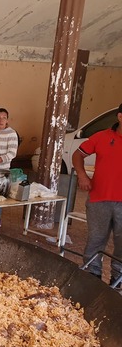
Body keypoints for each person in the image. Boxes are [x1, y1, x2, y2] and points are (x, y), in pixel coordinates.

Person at [72, 103, 122, 287]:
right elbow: (78, 154)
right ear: (120, 117)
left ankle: (117, 281)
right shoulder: (101, 137)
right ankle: (92, 280)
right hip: (99, 200)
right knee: (96, 241)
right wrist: (82, 175)